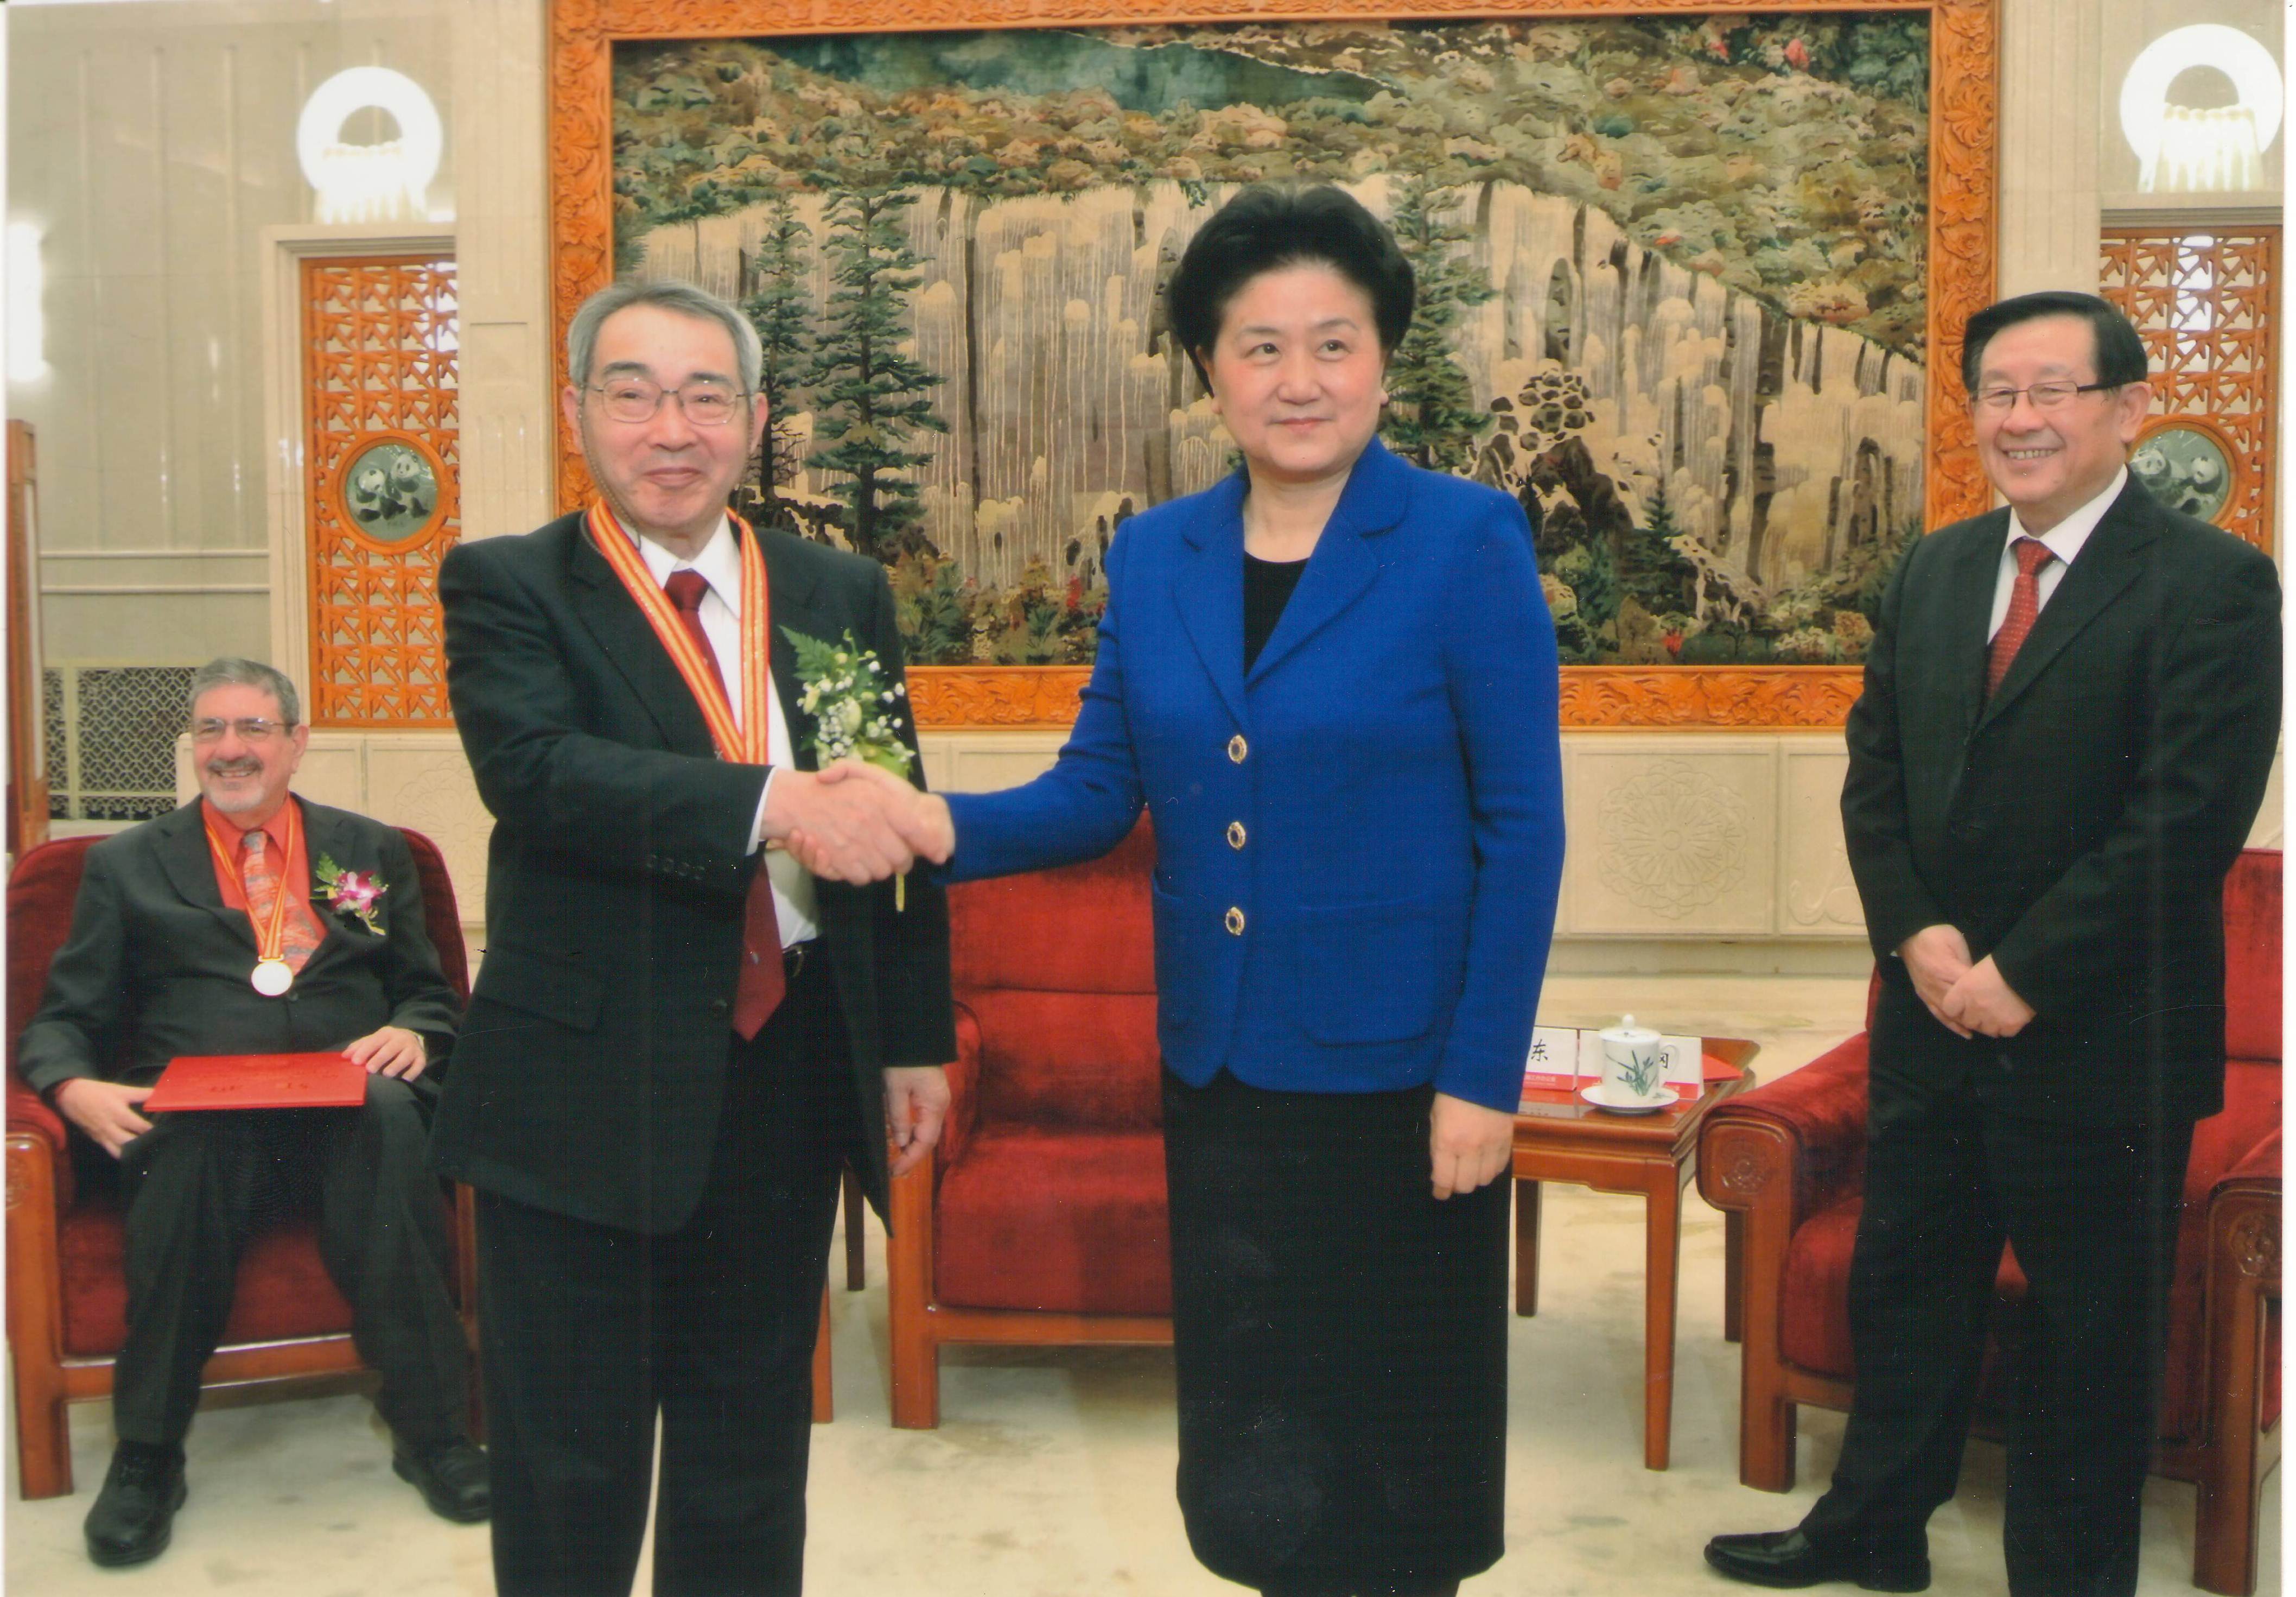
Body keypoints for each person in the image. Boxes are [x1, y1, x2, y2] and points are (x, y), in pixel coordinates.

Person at [810, 183, 1565, 1597]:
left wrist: (1484, 1076)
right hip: (1222, 1071)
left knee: (1396, 1457)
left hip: (1403, 1083)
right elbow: (1098, 790)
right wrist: (928, 819)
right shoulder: (1160, 552)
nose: (1299, 379)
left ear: (1383, 361)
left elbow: (1522, 830)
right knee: (1259, 1449)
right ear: (1209, 371)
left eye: (1333, 343)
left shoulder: (1464, 538)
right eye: (1260, 347)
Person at [1703, 291, 2280, 1595]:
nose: (2019, 419)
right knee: (1907, 1290)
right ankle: (1871, 1531)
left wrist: (2021, 975)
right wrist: (1915, 935)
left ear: (2128, 410)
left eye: (2050, 391)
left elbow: (2186, 817)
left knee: (2086, 1333)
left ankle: (2067, 1577)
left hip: (2100, 1039)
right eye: (1997, 394)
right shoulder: (1936, 569)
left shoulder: (2215, 584)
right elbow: (1875, 775)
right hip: (1928, 1017)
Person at [433, 278, 955, 1597]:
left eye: (705, 396)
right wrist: (774, 804)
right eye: (634, 393)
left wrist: (911, 1041)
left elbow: (892, 822)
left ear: (755, 420)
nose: (672, 428)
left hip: (784, 1073)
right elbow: (538, 773)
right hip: (580, 1087)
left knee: (749, 1454)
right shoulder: (510, 584)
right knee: (570, 1464)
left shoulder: (837, 591)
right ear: (577, 411)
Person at [18, 656, 483, 1567]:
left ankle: (436, 1434)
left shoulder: (368, 849)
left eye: (253, 729)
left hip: (348, 1103)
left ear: (296, 742)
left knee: (390, 1116)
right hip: (203, 1114)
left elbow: (428, 991)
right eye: (212, 730)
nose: (230, 749)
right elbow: (61, 1018)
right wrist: (72, 1087)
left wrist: (416, 1030)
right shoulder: (125, 865)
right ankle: (148, 1456)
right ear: (193, 746)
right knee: (185, 1136)